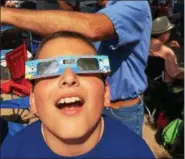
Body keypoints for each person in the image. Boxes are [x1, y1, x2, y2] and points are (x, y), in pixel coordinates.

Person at [1, 0, 152, 136]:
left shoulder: (135, 3)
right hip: (90, 104)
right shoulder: (95, 9)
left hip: (119, 110)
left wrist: (6, 14)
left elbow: (92, 27)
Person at [0, 31, 155, 158]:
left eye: (86, 66)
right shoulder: (11, 152)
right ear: (33, 101)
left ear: (106, 93)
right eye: (47, 69)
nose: (69, 78)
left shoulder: (137, 152)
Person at [150, 16, 184, 83]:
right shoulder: (167, 52)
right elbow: (174, 74)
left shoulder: (144, 44)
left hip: (148, 80)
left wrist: (166, 46)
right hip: (164, 84)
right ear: (164, 33)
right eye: (169, 32)